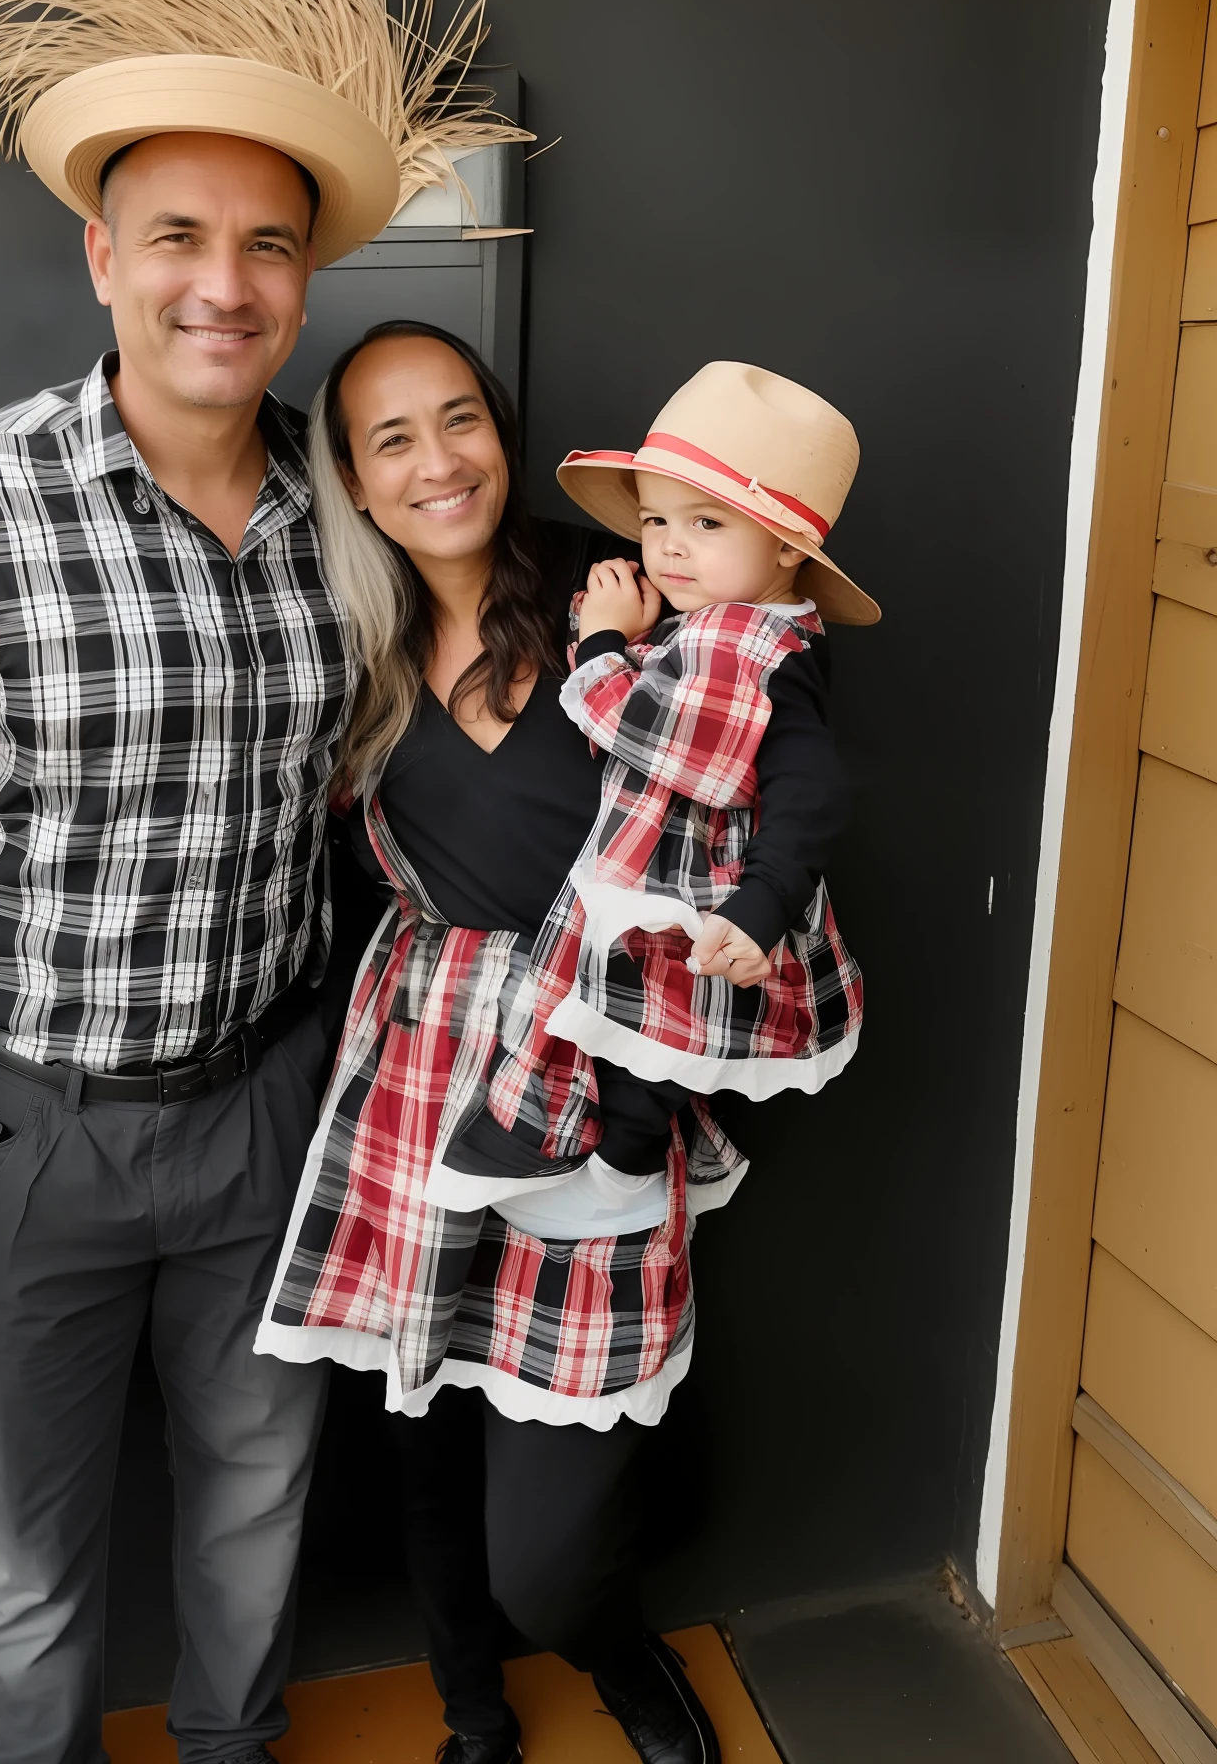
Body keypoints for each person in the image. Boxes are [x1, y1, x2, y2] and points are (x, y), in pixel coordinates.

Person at [0, 0, 527, 1764]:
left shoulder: (343, 512)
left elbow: (477, 663)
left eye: (269, 246)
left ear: (306, 279)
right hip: (20, 1128)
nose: (225, 282)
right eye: (178, 233)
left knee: (256, 1512)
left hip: (271, 1112)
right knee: (28, 1553)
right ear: (102, 257)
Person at [258, 324, 850, 1764]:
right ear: (351, 472)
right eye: (391, 437)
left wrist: (655, 1068)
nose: (435, 460)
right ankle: (472, 1710)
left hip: (600, 1067)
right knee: (420, 1443)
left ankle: (610, 1647)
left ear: (502, 432)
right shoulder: (344, 633)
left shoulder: (629, 597)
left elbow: (746, 815)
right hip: (419, 1065)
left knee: (550, 1523)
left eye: (459, 420)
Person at [425, 359, 874, 1238]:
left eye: (705, 523)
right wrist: (629, 632)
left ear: (787, 547)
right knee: (626, 1035)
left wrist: (599, 643)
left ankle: (623, 1171)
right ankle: (578, 1155)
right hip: (655, 883)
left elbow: (790, 783)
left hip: (705, 901)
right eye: (656, 519)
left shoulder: (764, 647)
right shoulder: (707, 627)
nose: (667, 546)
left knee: (660, 1047)